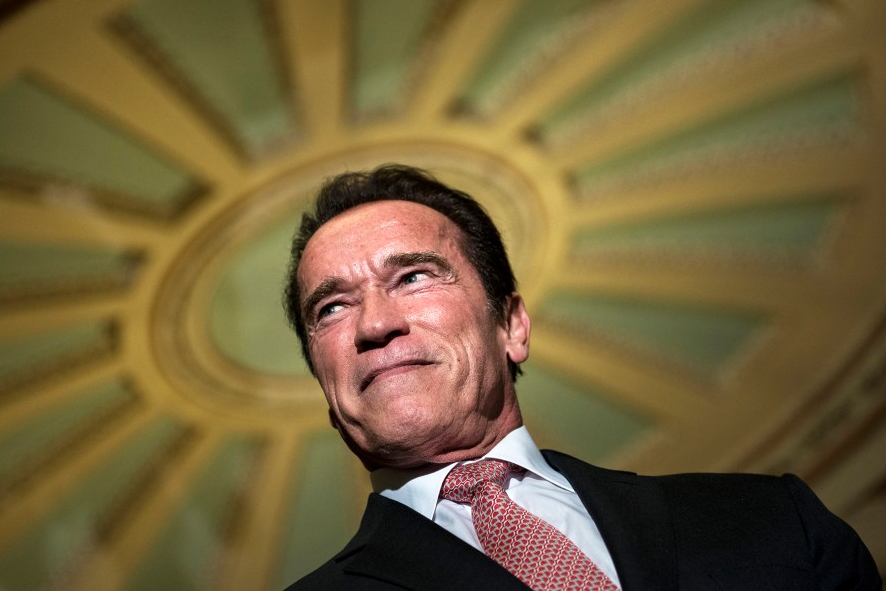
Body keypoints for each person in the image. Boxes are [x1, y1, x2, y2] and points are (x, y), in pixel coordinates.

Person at [282, 164, 879, 590]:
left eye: (413, 276)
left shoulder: (772, 521)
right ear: (328, 394)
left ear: (512, 325)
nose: (375, 324)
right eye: (330, 308)